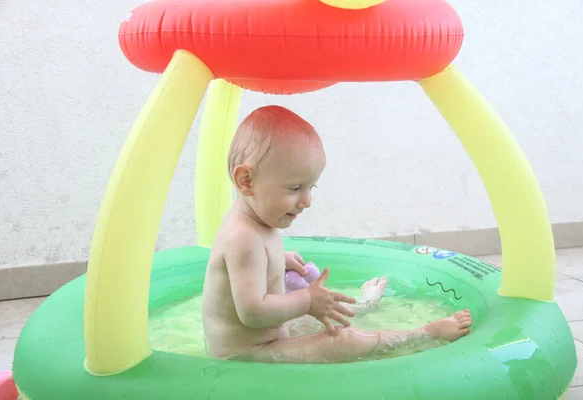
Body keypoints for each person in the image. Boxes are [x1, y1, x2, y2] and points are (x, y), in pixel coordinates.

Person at [201, 105, 472, 364]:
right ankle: (424, 334)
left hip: (268, 337)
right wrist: (306, 300)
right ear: (246, 181)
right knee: (341, 340)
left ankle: (365, 305)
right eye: (295, 188)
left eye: (311, 186)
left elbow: (248, 272)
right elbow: (252, 312)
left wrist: (279, 261)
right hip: (246, 357)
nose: (307, 201)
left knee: (327, 315)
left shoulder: (258, 223)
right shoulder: (243, 238)